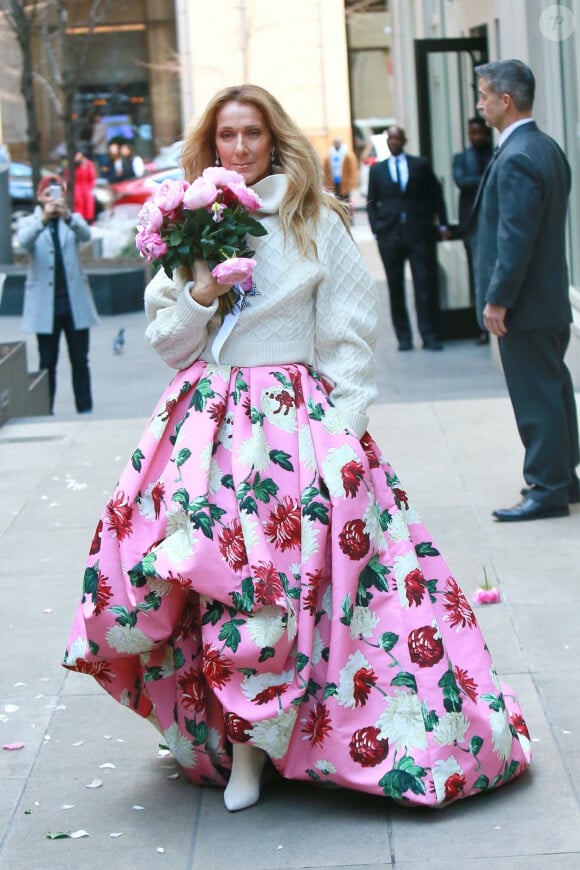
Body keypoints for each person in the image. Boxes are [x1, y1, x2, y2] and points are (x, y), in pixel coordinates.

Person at [63, 84, 530, 813]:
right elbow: (169, 344)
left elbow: (348, 331)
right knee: (207, 576)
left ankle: (269, 743)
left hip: (295, 427)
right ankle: (232, 741)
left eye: (252, 134)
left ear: (272, 138)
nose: (240, 148)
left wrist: (344, 429)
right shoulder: (193, 221)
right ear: (212, 144)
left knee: (283, 586)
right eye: (227, 136)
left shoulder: (313, 218)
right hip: (206, 428)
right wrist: (202, 294)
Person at [471, 59, 580, 521]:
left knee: (537, 398)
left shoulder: (518, 155)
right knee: (553, 390)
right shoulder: (546, 147)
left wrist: (498, 299)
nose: (479, 105)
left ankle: (546, 488)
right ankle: (564, 479)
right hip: (547, 302)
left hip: (525, 307)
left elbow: (515, 238)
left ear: (506, 100)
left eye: (483, 96)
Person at [17, 175, 98, 414]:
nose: (53, 199)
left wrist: (67, 215)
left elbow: (86, 235)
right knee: (47, 363)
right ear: (40, 197)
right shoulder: (31, 222)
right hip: (46, 306)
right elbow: (24, 242)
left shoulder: (71, 220)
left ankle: (85, 410)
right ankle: (45, 411)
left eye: (57, 193)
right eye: (47, 194)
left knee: (80, 361)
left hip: (74, 303)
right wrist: (43, 218)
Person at [367, 125, 451, 352]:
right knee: (395, 287)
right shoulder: (378, 170)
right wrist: (376, 229)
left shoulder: (420, 165)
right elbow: (372, 202)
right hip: (390, 235)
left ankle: (429, 335)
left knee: (424, 285)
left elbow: (436, 194)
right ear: (387, 142)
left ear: (404, 141)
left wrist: (442, 222)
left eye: (397, 138)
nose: (393, 142)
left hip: (419, 233)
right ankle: (404, 338)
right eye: (390, 139)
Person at [452, 116, 493, 345]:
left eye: (479, 132)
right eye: (472, 133)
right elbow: (462, 181)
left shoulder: (495, 153)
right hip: (472, 225)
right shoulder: (461, 158)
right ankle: (482, 327)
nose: (476, 137)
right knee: (477, 276)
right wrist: (487, 178)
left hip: (493, 222)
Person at [322, 137, 358, 203]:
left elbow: (353, 171)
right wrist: (326, 182)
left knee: (345, 201)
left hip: (345, 183)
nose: (336, 144)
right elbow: (325, 170)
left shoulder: (348, 155)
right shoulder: (329, 156)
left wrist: (351, 183)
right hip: (333, 182)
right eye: (335, 143)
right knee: (336, 201)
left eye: (338, 143)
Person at [65, 149, 97, 224]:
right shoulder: (71, 165)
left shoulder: (88, 164)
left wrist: (91, 188)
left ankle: (89, 221)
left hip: (86, 187)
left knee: (88, 205)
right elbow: (67, 176)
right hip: (76, 188)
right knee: (78, 205)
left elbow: (92, 177)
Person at [90, 110, 110, 175]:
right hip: (96, 151)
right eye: (95, 117)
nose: (96, 118)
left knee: (103, 167)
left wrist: (91, 143)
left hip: (102, 151)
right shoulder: (94, 125)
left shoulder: (103, 125)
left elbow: (98, 138)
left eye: (97, 117)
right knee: (96, 167)